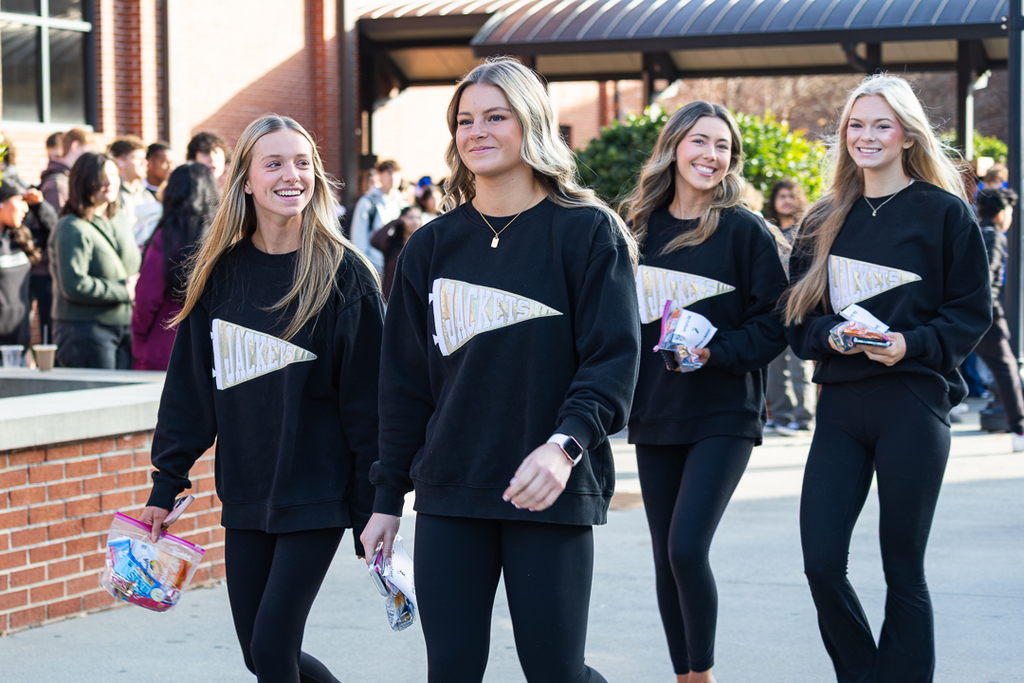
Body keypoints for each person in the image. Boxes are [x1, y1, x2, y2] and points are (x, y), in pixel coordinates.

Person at [361, 57, 641, 683]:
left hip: (551, 491)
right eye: (465, 120)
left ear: (532, 126)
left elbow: (613, 361)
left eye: (496, 116)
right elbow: (403, 384)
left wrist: (564, 447)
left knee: (554, 671)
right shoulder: (431, 245)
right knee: (452, 669)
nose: (477, 131)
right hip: (450, 489)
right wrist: (385, 498)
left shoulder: (588, 233)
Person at [139, 114, 382, 683]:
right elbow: (190, 392)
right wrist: (165, 480)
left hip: (317, 493)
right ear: (246, 179)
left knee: (273, 648)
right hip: (246, 490)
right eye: (273, 163)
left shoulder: (345, 274)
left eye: (302, 163)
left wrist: (377, 502)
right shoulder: (220, 273)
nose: (290, 175)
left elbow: (369, 403)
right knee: (260, 654)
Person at [783, 74, 991, 682]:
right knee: (821, 562)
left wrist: (910, 344)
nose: (866, 136)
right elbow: (798, 325)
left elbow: (971, 313)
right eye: (856, 124)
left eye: (881, 124)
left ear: (906, 135)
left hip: (914, 403)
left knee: (903, 569)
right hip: (841, 410)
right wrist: (832, 337)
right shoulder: (823, 218)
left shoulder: (944, 213)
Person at [624, 101, 788, 683]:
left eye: (722, 146)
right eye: (700, 141)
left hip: (723, 411)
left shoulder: (744, 230)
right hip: (654, 413)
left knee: (687, 548)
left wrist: (715, 352)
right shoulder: (636, 231)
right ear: (673, 147)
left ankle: (705, 675)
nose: (711, 155)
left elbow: (776, 321)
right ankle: (684, 675)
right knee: (666, 560)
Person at [48, 152, 141, 369]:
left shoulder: (119, 219)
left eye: (113, 174)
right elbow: (73, 285)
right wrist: (123, 291)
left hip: (125, 328)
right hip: (84, 331)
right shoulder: (70, 227)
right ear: (84, 181)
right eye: (101, 175)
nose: (109, 181)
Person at [130, 162, 220, 370]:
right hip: (215, 346)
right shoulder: (227, 237)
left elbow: (147, 298)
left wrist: (138, 340)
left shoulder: (168, 237)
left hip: (167, 343)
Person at [763, 177, 816, 435]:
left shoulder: (807, 231)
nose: (786, 200)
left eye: (790, 196)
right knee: (774, 366)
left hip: (800, 305)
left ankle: (803, 418)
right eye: (781, 196)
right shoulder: (767, 231)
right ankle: (782, 417)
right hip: (773, 306)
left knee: (799, 364)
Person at [973, 187, 1024, 449]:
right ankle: (1019, 428)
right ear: (1002, 213)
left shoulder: (973, 229)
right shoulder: (994, 235)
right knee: (1006, 370)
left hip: (964, 311)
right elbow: (987, 272)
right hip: (986, 313)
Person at [0, 177, 43, 358]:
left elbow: (53, 231)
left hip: (19, 342)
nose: (26, 208)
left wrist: (39, 206)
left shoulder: (20, 237)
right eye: (20, 201)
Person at [349, 159, 403, 272]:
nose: (392, 177)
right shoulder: (367, 202)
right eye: (389, 173)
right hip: (374, 267)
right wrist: (363, 268)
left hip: (396, 267)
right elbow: (358, 239)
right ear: (380, 175)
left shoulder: (402, 203)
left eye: (396, 173)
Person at [369, 204, 421, 300]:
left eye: (418, 217)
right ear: (402, 219)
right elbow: (375, 241)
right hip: (390, 298)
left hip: (412, 299)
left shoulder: (422, 245)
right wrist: (396, 221)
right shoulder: (393, 244)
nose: (415, 221)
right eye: (411, 217)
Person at [108, 136, 152, 248]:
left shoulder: (145, 193)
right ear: (120, 162)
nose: (145, 163)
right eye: (137, 158)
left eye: (145, 158)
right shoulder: (112, 193)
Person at [40, 128, 97, 212]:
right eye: (89, 152)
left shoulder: (69, 179)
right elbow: (59, 223)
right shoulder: (58, 185)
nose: (92, 160)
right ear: (76, 147)